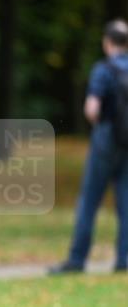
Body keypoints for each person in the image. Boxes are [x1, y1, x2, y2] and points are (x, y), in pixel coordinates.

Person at [49, 19, 128, 274]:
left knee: (89, 200)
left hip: (105, 141)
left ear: (107, 42)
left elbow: (92, 109)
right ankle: (124, 260)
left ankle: (77, 259)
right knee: (126, 203)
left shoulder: (103, 70)